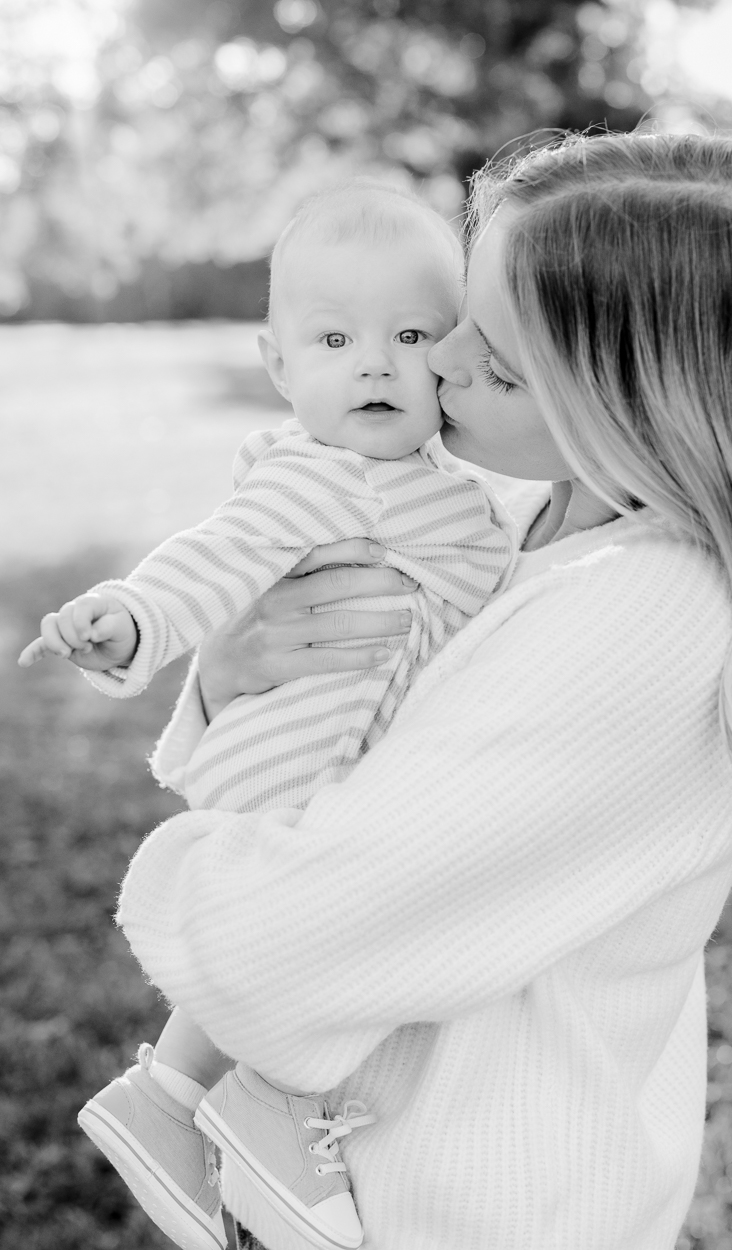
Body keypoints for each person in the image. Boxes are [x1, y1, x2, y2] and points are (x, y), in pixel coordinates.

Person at [111, 130, 732, 1250]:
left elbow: (281, 942)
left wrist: (200, 883)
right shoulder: (508, 531)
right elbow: (344, 758)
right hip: (358, 1173)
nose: (433, 364)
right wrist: (229, 680)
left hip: (467, 1205)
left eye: (492, 359)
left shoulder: (644, 618)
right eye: (452, 317)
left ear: (629, 407)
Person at [18, 184, 517, 1250]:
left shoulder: (429, 479)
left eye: (410, 333)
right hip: (304, 756)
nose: (375, 363)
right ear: (279, 365)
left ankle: (168, 1097)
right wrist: (136, 615)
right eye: (334, 338)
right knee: (330, 928)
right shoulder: (325, 476)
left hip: (330, 754)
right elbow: (217, 553)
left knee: (324, 924)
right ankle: (275, 1102)